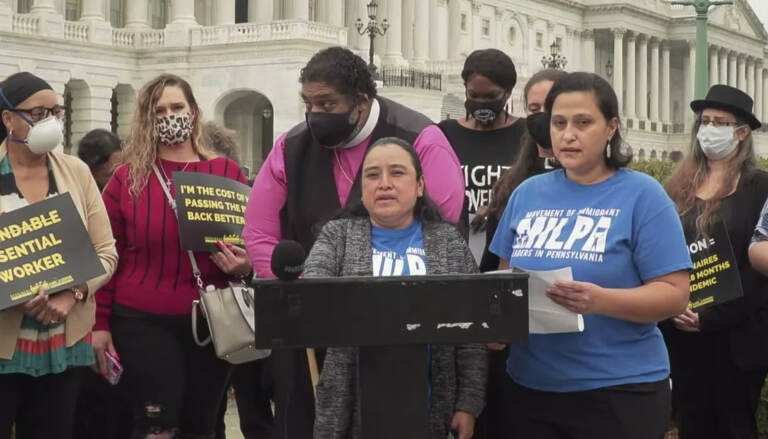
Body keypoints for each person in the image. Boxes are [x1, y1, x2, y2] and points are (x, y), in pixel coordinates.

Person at [242, 46, 464, 438]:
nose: (315, 115)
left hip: (403, 339)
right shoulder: (290, 147)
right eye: (308, 104)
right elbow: (259, 233)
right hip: (308, 332)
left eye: (327, 103)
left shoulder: (422, 138)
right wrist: (310, 304)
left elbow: (439, 226)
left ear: (362, 102)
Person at [489, 72, 692, 439]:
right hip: (531, 389)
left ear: (611, 127)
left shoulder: (643, 195)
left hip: (619, 391)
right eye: (559, 123)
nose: (568, 134)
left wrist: (599, 300)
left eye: (583, 123)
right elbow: (505, 284)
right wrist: (496, 327)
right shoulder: (527, 194)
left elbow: (675, 294)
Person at [93, 73, 251, 439]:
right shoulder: (125, 179)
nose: (169, 116)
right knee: (156, 425)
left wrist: (245, 266)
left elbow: (246, 241)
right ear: (147, 119)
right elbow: (105, 256)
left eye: (177, 107)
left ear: (193, 112)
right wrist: (99, 324)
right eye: (159, 110)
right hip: (142, 321)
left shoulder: (226, 172)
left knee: (201, 425)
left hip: (211, 323)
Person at [305, 137, 488, 439]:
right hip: (352, 412)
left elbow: (472, 336)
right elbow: (315, 299)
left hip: (432, 407)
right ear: (362, 188)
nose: (384, 183)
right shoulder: (337, 237)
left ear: (419, 186)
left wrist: (468, 404)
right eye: (373, 175)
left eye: (397, 173)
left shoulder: (447, 242)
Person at [0, 72, 118, 439]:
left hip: (66, 343)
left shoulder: (76, 172)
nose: (49, 121)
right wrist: (14, 294)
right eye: (38, 112)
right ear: (7, 118)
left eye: (56, 111)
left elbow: (106, 251)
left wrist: (75, 293)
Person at [664, 84, 768, 439]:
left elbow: (760, 268)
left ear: (741, 133)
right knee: (691, 423)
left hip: (738, 337)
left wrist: (713, 317)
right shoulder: (679, 185)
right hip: (683, 332)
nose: (708, 129)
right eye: (704, 121)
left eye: (719, 122)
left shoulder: (761, 188)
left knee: (734, 427)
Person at [437, 49, 526, 244]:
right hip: (455, 243)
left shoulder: (526, 135)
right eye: (473, 95)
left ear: (508, 92)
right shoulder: (444, 133)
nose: (480, 103)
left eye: (490, 96)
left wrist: (498, 209)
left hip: (510, 241)